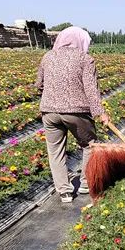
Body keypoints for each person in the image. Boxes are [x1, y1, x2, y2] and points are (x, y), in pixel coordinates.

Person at [35, 26, 110, 203]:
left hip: (49, 112)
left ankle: (65, 192)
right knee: (90, 145)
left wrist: (52, 94)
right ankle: (85, 183)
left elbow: (39, 84)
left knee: (55, 151)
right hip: (77, 112)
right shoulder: (85, 59)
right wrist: (101, 113)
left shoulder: (47, 57)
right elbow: (91, 90)